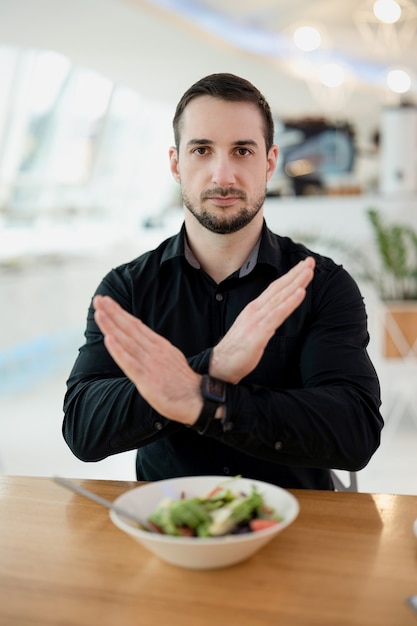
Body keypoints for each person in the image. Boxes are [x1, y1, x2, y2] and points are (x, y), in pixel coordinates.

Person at [63, 73, 383, 490]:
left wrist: (201, 398)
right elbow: (84, 430)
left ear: (269, 162)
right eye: (202, 150)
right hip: (173, 526)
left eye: (242, 151)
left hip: (299, 528)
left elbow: (355, 431)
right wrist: (214, 367)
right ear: (177, 163)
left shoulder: (321, 285)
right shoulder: (128, 288)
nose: (223, 175)